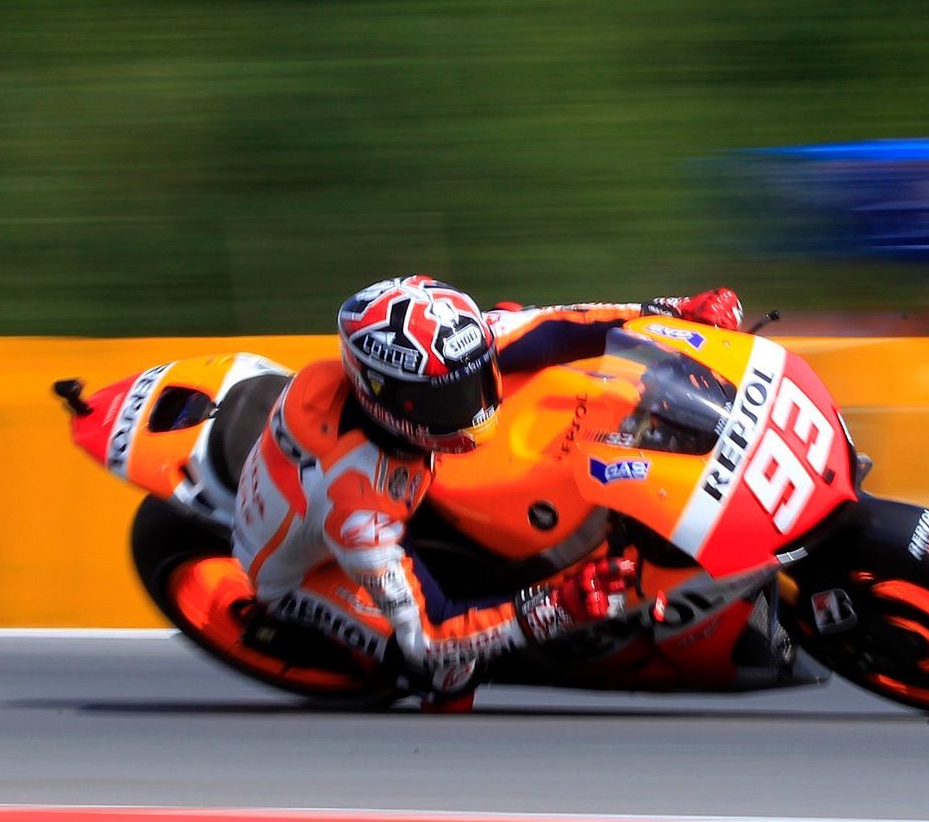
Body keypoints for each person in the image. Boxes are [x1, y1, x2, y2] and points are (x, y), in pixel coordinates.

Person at [229, 275, 743, 710]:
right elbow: (428, 634)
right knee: (450, 674)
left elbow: (557, 326)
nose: (471, 405)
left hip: (377, 485)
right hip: (306, 571)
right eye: (448, 398)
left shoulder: (447, 352)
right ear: (384, 397)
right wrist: (552, 608)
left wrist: (670, 312)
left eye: (474, 381)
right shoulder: (359, 503)